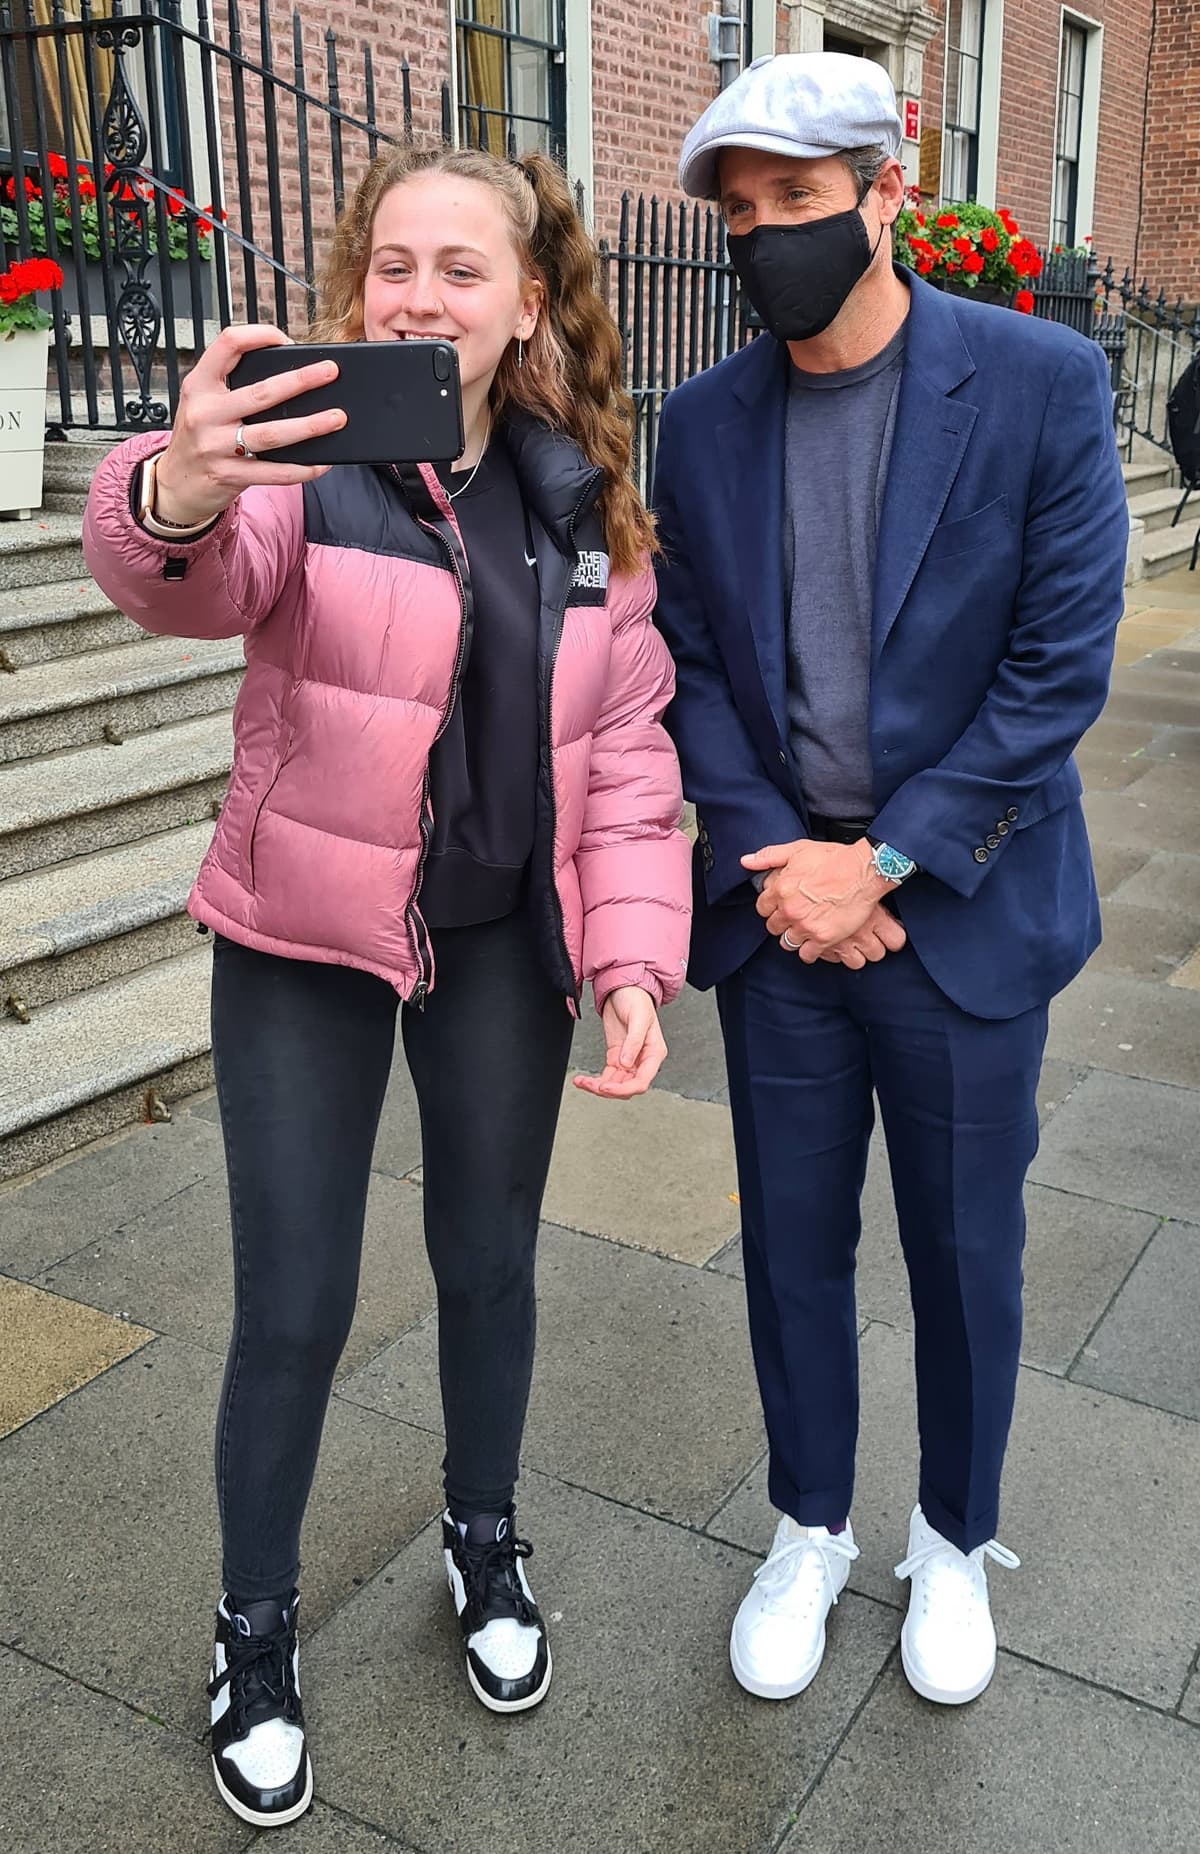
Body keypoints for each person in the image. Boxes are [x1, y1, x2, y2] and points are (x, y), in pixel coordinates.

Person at [83, 144, 691, 1828]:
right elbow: (184, 582)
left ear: (526, 304)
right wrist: (177, 485)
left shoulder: (584, 496)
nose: (419, 296)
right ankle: (254, 1627)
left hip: (502, 940)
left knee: (489, 1266)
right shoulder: (303, 458)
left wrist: (635, 952)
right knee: (294, 1303)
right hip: (305, 938)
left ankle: (482, 1540)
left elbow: (628, 751)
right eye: (393, 266)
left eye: (460, 270)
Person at [653, 53, 1126, 1710]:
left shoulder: (1041, 383)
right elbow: (692, 659)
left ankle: (949, 1533)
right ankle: (810, 1522)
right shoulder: (698, 424)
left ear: (886, 194)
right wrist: (787, 865)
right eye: (744, 210)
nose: (768, 235)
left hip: (961, 911)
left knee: (964, 1249)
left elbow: (1058, 668)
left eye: (800, 201)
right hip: (786, 906)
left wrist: (893, 860)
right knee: (791, 1242)